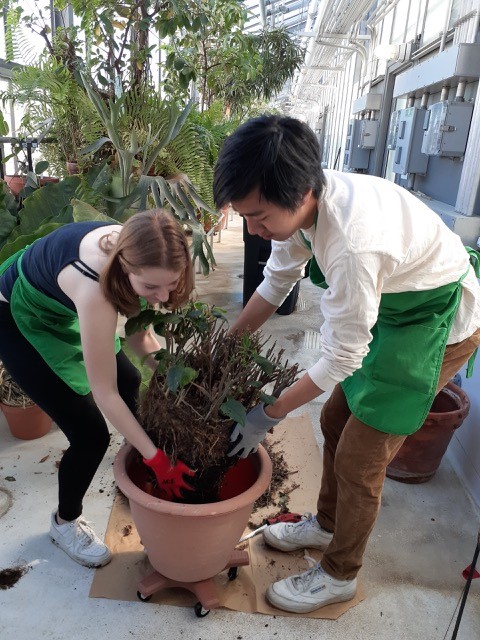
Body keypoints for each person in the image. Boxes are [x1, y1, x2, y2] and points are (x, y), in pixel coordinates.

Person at [213, 115, 480, 613]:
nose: (253, 228)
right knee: (335, 417)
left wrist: (267, 415)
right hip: (385, 313)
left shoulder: (352, 244)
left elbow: (339, 356)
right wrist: (222, 351)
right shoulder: (297, 208)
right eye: (244, 216)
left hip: (432, 326)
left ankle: (340, 574)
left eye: (258, 215)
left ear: (302, 191)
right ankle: (327, 523)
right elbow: (274, 284)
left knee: (361, 456)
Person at [0, 209, 195, 568]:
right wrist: (157, 458)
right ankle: (63, 523)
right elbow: (103, 393)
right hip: (16, 315)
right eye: (151, 287)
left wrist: (180, 381)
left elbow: (141, 341)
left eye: (171, 284)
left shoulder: (145, 246)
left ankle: (139, 452)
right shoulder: (95, 289)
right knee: (90, 436)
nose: (160, 297)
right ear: (124, 266)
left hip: (55, 300)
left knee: (131, 380)